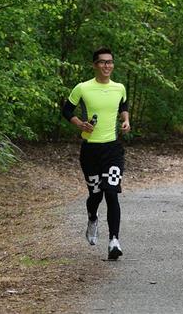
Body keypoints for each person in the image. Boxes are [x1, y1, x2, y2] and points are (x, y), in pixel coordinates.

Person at [62, 47, 131, 260]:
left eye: (110, 62)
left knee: (111, 192)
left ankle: (114, 241)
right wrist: (80, 124)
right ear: (95, 65)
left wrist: (126, 120)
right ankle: (92, 218)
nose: (106, 66)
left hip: (112, 149)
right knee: (95, 195)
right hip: (90, 150)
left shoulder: (119, 87)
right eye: (102, 62)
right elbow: (66, 111)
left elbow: (123, 106)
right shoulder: (83, 88)